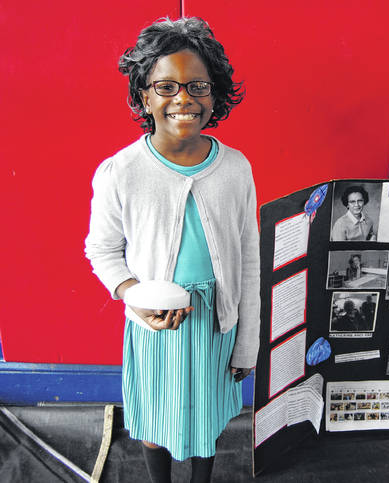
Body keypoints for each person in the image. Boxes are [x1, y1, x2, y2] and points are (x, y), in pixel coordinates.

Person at [84, 17, 258, 483]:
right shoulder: (121, 171)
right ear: (144, 96)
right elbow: (102, 250)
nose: (183, 99)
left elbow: (249, 261)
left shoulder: (236, 169)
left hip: (216, 322)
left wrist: (247, 342)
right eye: (165, 86)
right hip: (153, 324)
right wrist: (133, 295)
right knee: (153, 419)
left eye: (197, 85)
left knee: (208, 421)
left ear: (215, 94)